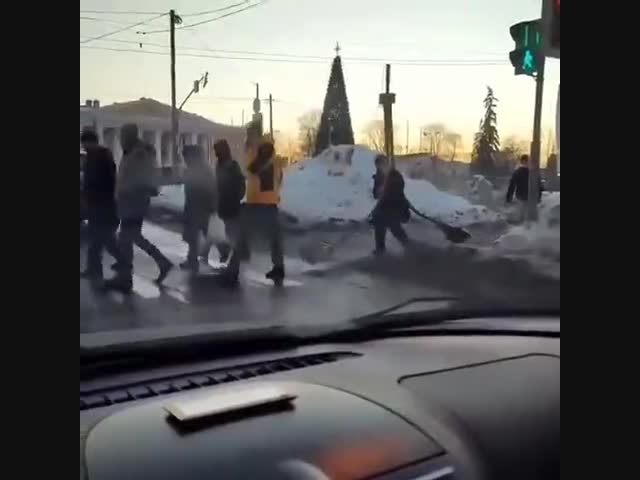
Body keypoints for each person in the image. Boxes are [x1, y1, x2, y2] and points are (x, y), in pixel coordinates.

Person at [103, 123, 173, 293]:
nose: (120, 140)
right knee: (133, 237)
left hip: (134, 203)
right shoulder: (133, 152)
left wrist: (128, 192)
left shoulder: (140, 154)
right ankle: (162, 263)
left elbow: (142, 179)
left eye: (123, 136)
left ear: (131, 136)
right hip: (129, 202)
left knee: (125, 240)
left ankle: (125, 278)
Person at [222, 138, 284, 286]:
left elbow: (250, 170)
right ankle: (278, 268)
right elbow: (280, 180)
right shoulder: (276, 163)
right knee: (275, 240)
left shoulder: (255, 161)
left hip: (256, 204)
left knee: (243, 237)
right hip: (271, 205)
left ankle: (232, 271)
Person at [79, 128, 122, 281]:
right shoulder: (93, 156)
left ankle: (122, 263)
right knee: (98, 240)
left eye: (84, 143)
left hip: (103, 205)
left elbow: (108, 180)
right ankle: (94, 269)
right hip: (96, 204)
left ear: (90, 142)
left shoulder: (102, 155)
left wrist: (95, 195)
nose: (83, 147)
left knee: (102, 239)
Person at [180, 145, 217, 273]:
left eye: (186, 157)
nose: (185, 160)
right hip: (194, 206)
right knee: (194, 235)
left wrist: (211, 205)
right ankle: (192, 259)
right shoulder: (196, 168)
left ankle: (231, 254)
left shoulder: (203, 170)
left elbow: (209, 189)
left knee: (204, 233)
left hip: (201, 206)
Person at [369, 155, 411, 255]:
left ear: (386, 164)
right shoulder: (379, 177)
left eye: (382, 164)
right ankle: (380, 248)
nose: (380, 167)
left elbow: (399, 188)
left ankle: (409, 246)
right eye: (378, 165)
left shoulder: (395, 175)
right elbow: (375, 194)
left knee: (394, 227)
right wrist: (378, 191)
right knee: (379, 224)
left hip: (397, 205)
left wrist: (387, 189)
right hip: (384, 207)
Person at [213, 139, 245, 266]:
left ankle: (234, 262)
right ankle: (229, 255)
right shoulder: (219, 165)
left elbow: (240, 184)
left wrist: (236, 197)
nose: (216, 153)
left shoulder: (232, 165)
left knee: (231, 234)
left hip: (231, 206)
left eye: (217, 150)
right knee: (225, 233)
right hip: (222, 205)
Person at [506, 154, 544, 222]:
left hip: (520, 196)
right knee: (531, 216)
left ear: (521, 161)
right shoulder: (534, 172)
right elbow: (539, 185)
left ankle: (523, 227)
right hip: (531, 197)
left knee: (521, 214)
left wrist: (509, 197)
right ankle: (530, 227)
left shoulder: (517, 172)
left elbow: (512, 185)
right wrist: (539, 197)